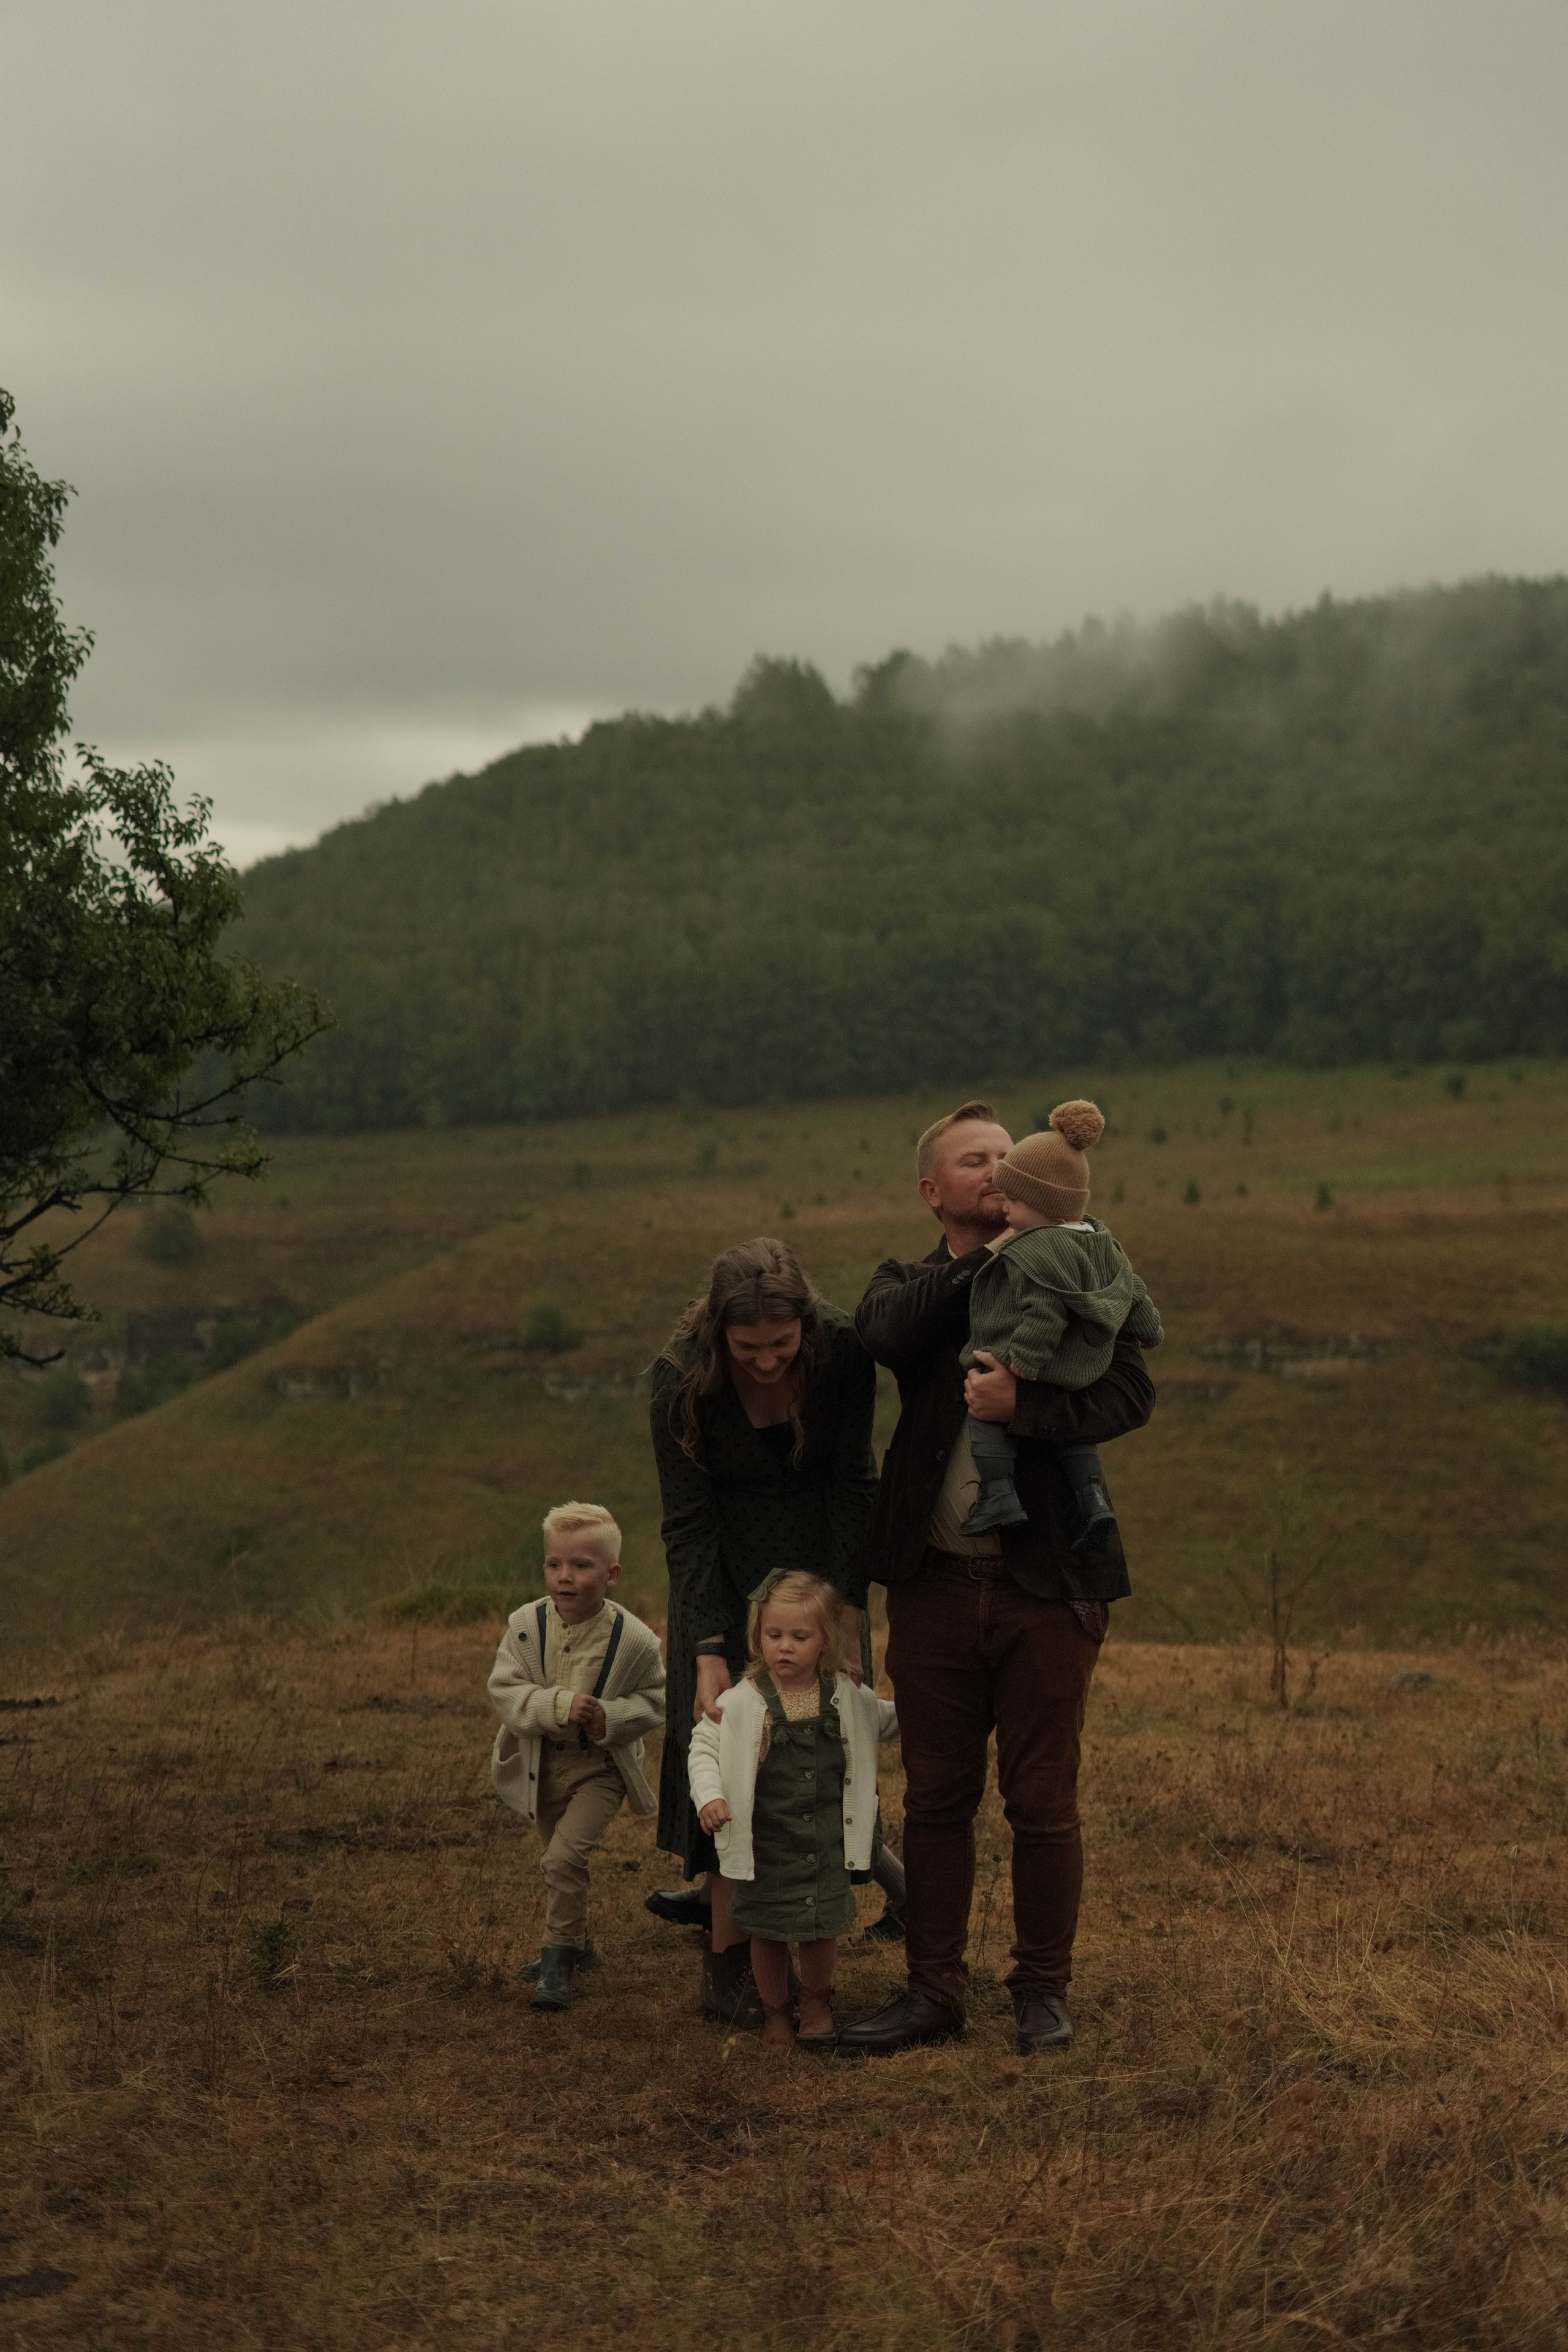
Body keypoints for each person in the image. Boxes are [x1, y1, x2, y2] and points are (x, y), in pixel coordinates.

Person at [835, 1101, 1156, 2061]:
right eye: (977, 1161)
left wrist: (1033, 1402)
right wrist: (1001, 1256)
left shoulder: (1081, 1261)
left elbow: (1134, 1390)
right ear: (935, 1191)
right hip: (932, 1584)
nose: (997, 1168)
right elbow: (883, 1334)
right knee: (935, 1799)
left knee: (1043, 1800)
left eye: (1008, 1157)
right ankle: (932, 1993)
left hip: (1049, 1583)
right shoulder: (914, 1281)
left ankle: (1041, 1993)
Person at [647, 1237, 906, 2028]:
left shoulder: (844, 1356)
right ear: (717, 1335)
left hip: (816, 1566)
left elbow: (854, 1481)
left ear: (806, 1327)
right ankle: (729, 1961)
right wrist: (706, 1646)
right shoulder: (675, 1380)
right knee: (728, 1743)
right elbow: (686, 1521)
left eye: (782, 1345)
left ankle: (828, 1909)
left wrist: (847, 1612)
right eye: (747, 1347)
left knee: (818, 1732)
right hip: (722, 1571)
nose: (765, 1363)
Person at [688, 1570, 899, 2051]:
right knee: (767, 1929)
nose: (784, 1647)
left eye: (799, 1637)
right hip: (769, 1840)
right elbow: (703, 1746)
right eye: (773, 1635)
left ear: (826, 1641)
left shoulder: (848, 1696)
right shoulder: (742, 1702)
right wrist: (711, 1797)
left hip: (827, 1838)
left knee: (821, 1928)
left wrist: (938, 1711)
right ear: (757, 1637)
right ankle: (776, 2011)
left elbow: (886, 1721)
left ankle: (817, 2003)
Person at [488, 1502, 666, 2011]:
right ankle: (581, 1946)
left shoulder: (633, 1640)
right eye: (554, 1565)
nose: (564, 1577)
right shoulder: (527, 1626)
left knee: (563, 1858)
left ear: (611, 1575)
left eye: (581, 1566)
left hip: (600, 1768)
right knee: (561, 1863)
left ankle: (557, 1960)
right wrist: (559, 1705)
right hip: (541, 1766)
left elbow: (656, 1701)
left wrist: (609, 1717)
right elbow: (504, 1690)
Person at [959, 1101, 1162, 1542]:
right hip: (1082, 1372)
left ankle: (998, 1493)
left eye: (1013, 1201)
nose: (1006, 1211)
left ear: (1041, 1203)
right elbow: (1133, 1290)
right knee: (1076, 1439)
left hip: (1035, 1369)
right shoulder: (1103, 1241)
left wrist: (1020, 1368)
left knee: (984, 1415)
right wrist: (1151, 1330)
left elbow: (1043, 1311)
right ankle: (1092, 1498)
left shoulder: (1036, 1250)